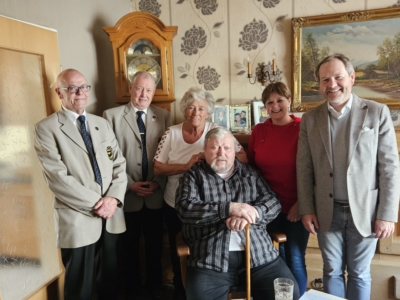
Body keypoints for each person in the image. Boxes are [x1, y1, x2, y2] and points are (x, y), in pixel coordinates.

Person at [297, 53, 400, 300]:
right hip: (326, 210)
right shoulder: (310, 119)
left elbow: (389, 167)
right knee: (331, 272)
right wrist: (306, 208)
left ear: (351, 78)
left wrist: (387, 215)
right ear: (319, 85)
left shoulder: (377, 112)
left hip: (366, 211)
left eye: (338, 77)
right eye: (325, 80)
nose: (332, 84)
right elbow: (304, 167)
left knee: (359, 274)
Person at [34, 69, 127, 300]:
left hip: (111, 217)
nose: (80, 93)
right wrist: (99, 203)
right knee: (79, 288)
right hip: (78, 219)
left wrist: (113, 199)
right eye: (72, 88)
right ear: (59, 92)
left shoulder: (101, 124)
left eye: (84, 87)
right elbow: (58, 179)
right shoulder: (46, 128)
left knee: (111, 281)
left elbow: (119, 164)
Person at [175, 127, 300, 300]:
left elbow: (273, 202)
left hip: (260, 256)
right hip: (211, 259)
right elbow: (185, 208)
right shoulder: (194, 176)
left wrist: (253, 212)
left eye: (227, 148)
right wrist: (229, 209)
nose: (221, 153)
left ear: (235, 151)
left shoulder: (250, 174)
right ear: (205, 150)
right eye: (214, 147)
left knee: (289, 295)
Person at [154, 87, 248, 299]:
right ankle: (181, 291)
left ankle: (205, 289)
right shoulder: (172, 132)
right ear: (184, 110)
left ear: (208, 112)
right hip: (174, 203)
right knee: (176, 247)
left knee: (202, 249)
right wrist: (186, 165)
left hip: (208, 205)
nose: (195, 112)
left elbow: (244, 159)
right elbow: (158, 168)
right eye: (191, 107)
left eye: (201, 108)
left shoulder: (217, 131)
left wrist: (210, 158)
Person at [103, 71, 171, 300]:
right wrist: (129, 185)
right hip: (126, 195)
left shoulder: (164, 115)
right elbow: (107, 157)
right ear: (130, 89)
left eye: (149, 90)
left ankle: (155, 286)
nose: (143, 94)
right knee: (128, 247)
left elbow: (170, 155)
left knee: (155, 246)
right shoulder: (110, 116)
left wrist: (157, 182)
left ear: (154, 93)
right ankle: (131, 288)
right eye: (139, 88)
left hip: (155, 193)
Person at [248, 82, 309, 296]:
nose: (275, 106)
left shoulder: (303, 128)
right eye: (269, 102)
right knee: (272, 261)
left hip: (296, 206)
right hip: (267, 208)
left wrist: (301, 204)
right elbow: (252, 168)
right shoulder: (260, 130)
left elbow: (313, 170)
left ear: (289, 100)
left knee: (294, 258)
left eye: (279, 100)